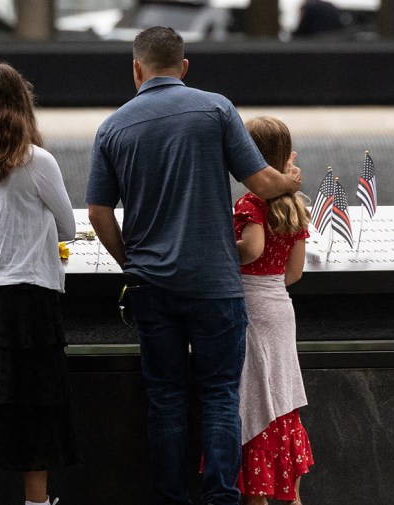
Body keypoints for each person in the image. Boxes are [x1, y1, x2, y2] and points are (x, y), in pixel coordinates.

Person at [86, 26, 302, 505]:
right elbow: (262, 184)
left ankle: (170, 498)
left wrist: (132, 263)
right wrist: (289, 181)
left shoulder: (113, 127)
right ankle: (221, 497)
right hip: (215, 286)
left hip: (151, 286)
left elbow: (99, 213)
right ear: (184, 68)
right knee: (220, 397)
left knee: (165, 400)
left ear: (136, 70)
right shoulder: (216, 109)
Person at [0, 62, 78, 505]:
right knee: (34, 404)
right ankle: (37, 502)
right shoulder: (38, 161)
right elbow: (68, 227)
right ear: (23, 104)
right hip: (29, 299)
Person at [233, 117, 314, 505]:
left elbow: (252, 249)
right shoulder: (295, 207)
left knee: (254, 401)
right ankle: (290, 493)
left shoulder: (251, 203)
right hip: (281, 308)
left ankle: (258, 494)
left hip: (252, 309)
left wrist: (217, 249)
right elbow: (294, 273)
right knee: (280, 398)